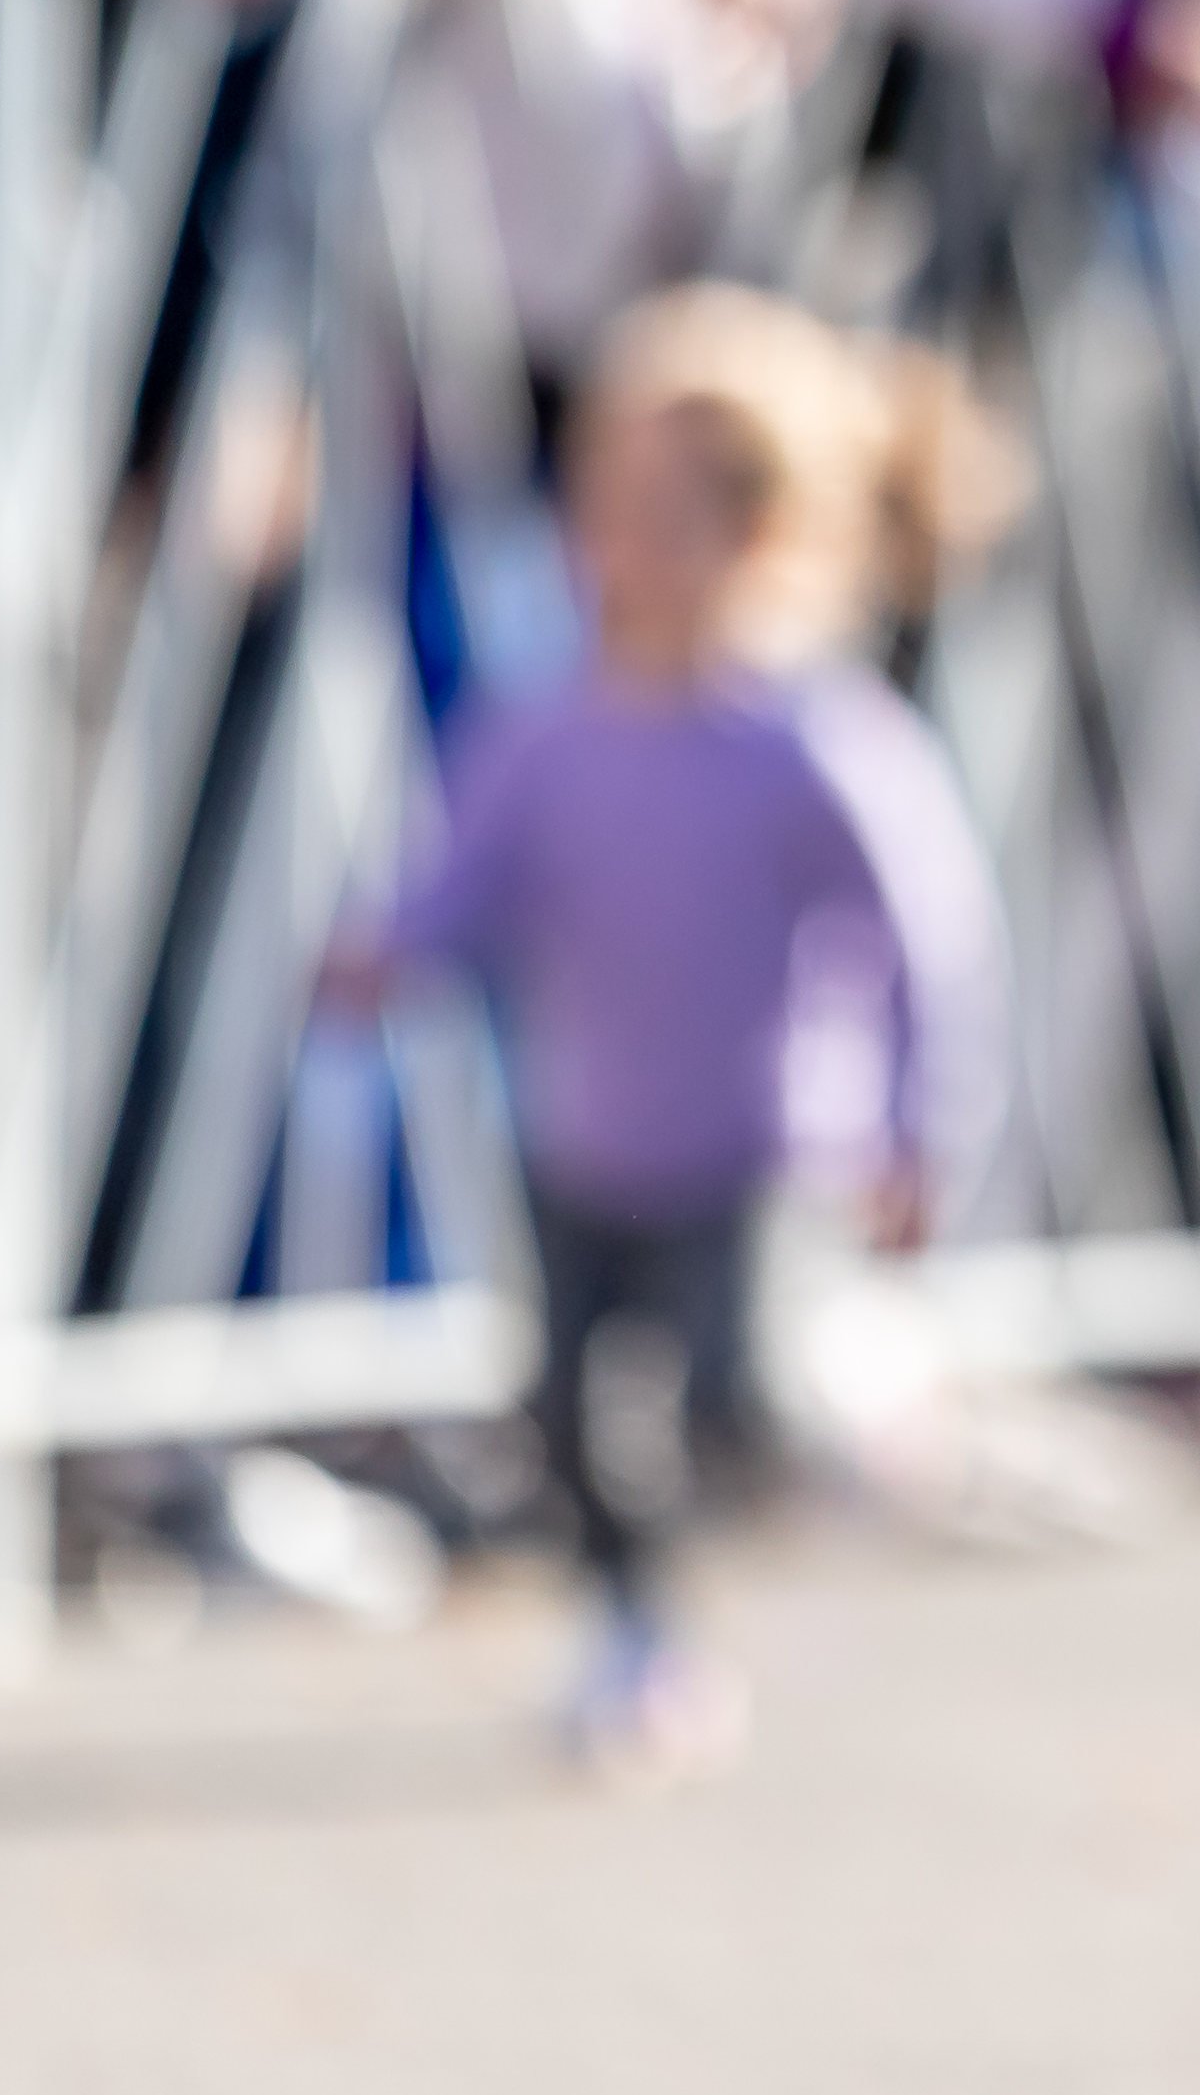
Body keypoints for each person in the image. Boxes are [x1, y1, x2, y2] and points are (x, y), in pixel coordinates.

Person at [330, 291, 992, 1773]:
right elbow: (470, 871)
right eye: (607, 505)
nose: (621, 543)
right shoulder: (550, 724)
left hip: (753, 1143)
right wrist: (389, 951)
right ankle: (636, 1629)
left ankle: (866, 1384)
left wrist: (921, 1121)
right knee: (562, 1406)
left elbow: (926, 936)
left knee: (732, 1397)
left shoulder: (812, 739)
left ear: (758, 534)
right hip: (587, 1130)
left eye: (664, 512)